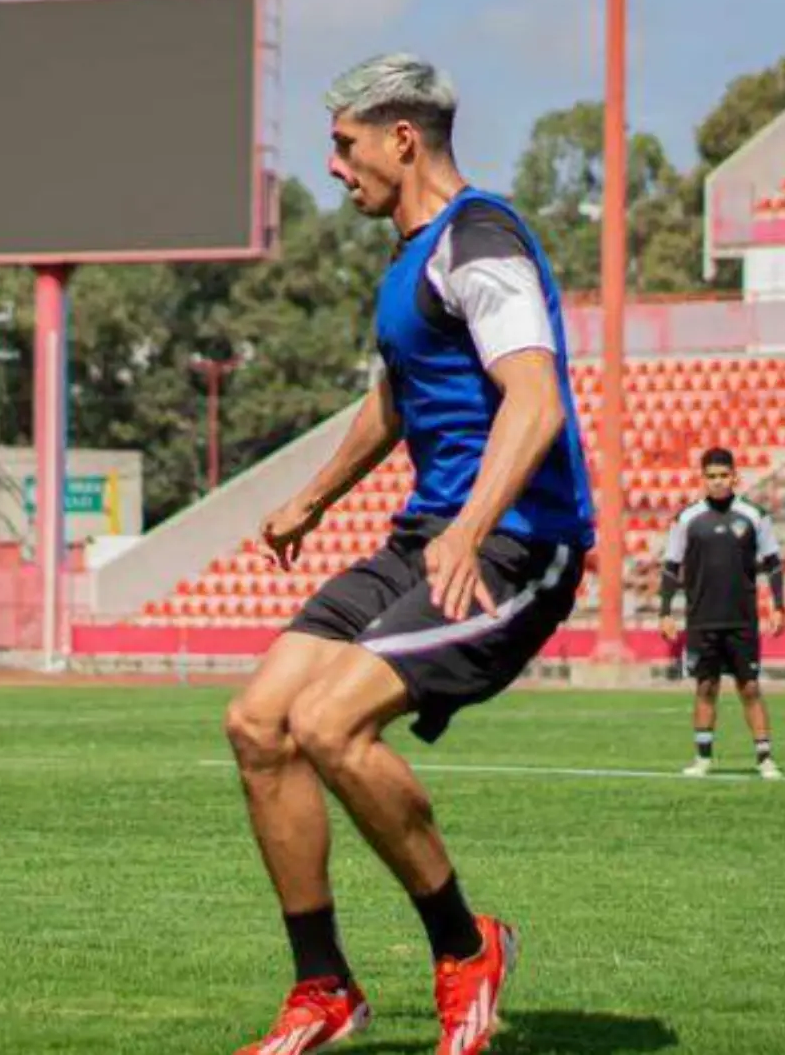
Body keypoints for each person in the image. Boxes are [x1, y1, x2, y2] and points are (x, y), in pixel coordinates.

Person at [225, 55, 594, 1055]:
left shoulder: (483, 238)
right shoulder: (409, 260)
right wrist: (309, 499)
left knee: (330, 724)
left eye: (344, 147)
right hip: (422, 537)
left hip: (520, 544)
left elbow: (535, 395)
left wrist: (471, 530)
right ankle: (324, 989)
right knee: (259, 722)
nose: (334, 167)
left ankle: (465, 946)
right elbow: (395, 399)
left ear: (401, 139)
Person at [659, 447, 785, 780]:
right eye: (711, 476)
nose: (718, 482)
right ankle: (702, 758)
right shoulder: (687, 519)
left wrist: (778, 605)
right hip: (701, 618)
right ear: (702, 479)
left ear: (735, 477)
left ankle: (764, 758)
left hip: (742, 618)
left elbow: (773, 563)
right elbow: (671, 566)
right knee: (706, 687)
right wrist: (665, 611)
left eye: (723, 476)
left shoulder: (754, 516)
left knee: (749, 687)